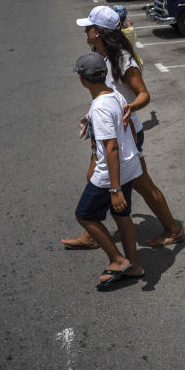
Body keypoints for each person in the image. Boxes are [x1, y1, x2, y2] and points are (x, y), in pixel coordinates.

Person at [61, 6, 183, 249]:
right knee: (94, 177)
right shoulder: (100, 55)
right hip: (106, 131)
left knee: (143, 185)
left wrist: (130, 107)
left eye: (89, 27)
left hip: (127, 133)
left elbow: (144, 95)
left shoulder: (123, 60)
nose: (85, 31)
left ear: (99, 32)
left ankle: (173, 229)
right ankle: (92, 232)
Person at [71, 52, 146, 289]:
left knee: (84, 214)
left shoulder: (101, 107)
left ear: (83, 79)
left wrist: (114, 189)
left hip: (110, 175)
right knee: (122, 216)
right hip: (127, 166)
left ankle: (117, 260)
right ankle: (134, 265)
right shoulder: (114, 95)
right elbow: (127, 127)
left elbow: (111, 147)